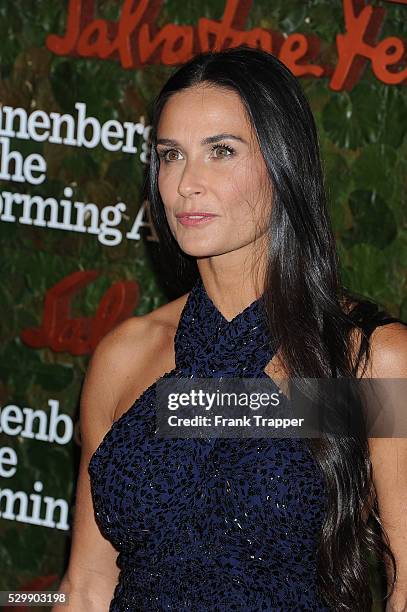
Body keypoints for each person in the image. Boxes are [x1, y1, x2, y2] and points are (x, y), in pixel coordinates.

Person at [53, 46, 407, 611]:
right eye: (171, 155)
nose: (187, 182)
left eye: (221, 151)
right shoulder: (127, 356)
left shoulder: (366, 361)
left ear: (283, 162)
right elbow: (88, 587)